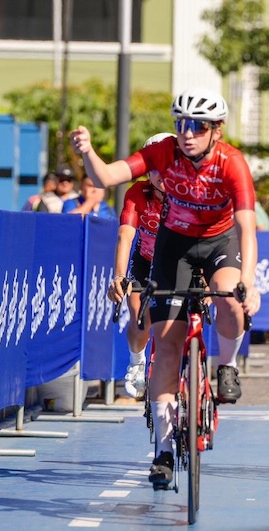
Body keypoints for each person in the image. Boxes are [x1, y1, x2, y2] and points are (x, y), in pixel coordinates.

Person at [70, 88, 261, 489]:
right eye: (181, 124)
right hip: (174, 246)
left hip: (219, 242)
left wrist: (250, 282)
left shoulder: (233, 164)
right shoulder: (163, 154)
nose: (187, 133)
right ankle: (163, 450)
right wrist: (87, 151)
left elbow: (246, 225)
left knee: (230, 303)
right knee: (168, 346)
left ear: (216, 131)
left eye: (197, 126)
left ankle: (226, 366)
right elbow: (105, 177)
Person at [107, 133, 174, 398]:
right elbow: (125, 236)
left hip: (182, 262)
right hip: (145, 262)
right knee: (140, 319)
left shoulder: (190, 193)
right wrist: (119, 276)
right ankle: (136, 362)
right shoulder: (138, 193)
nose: (163, 175)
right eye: (156, 169)